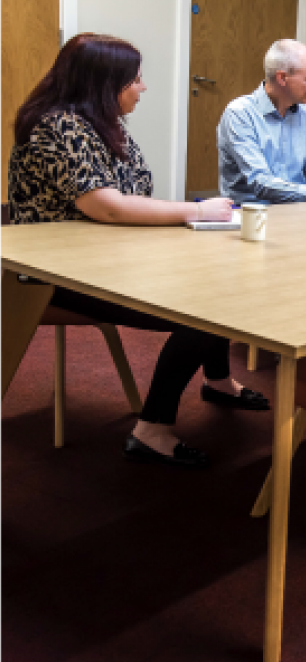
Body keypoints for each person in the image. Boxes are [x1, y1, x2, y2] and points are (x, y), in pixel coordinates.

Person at [8, 33, 270, 468]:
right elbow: (107, 207)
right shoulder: (56, 126)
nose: (142, 87)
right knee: (205, 310)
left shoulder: (104, 124)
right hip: (55, 272)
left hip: (107, 259)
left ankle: (218, 381)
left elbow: (132, 199)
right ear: (103, 83)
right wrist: (197, 210)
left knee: (222, 279)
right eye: (135, 80)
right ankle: (152, 431)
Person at [217, 39, 306, 205]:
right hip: (252, 213)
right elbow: (261, 183)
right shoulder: (240, 113)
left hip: (299, 211)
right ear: (282, 78)